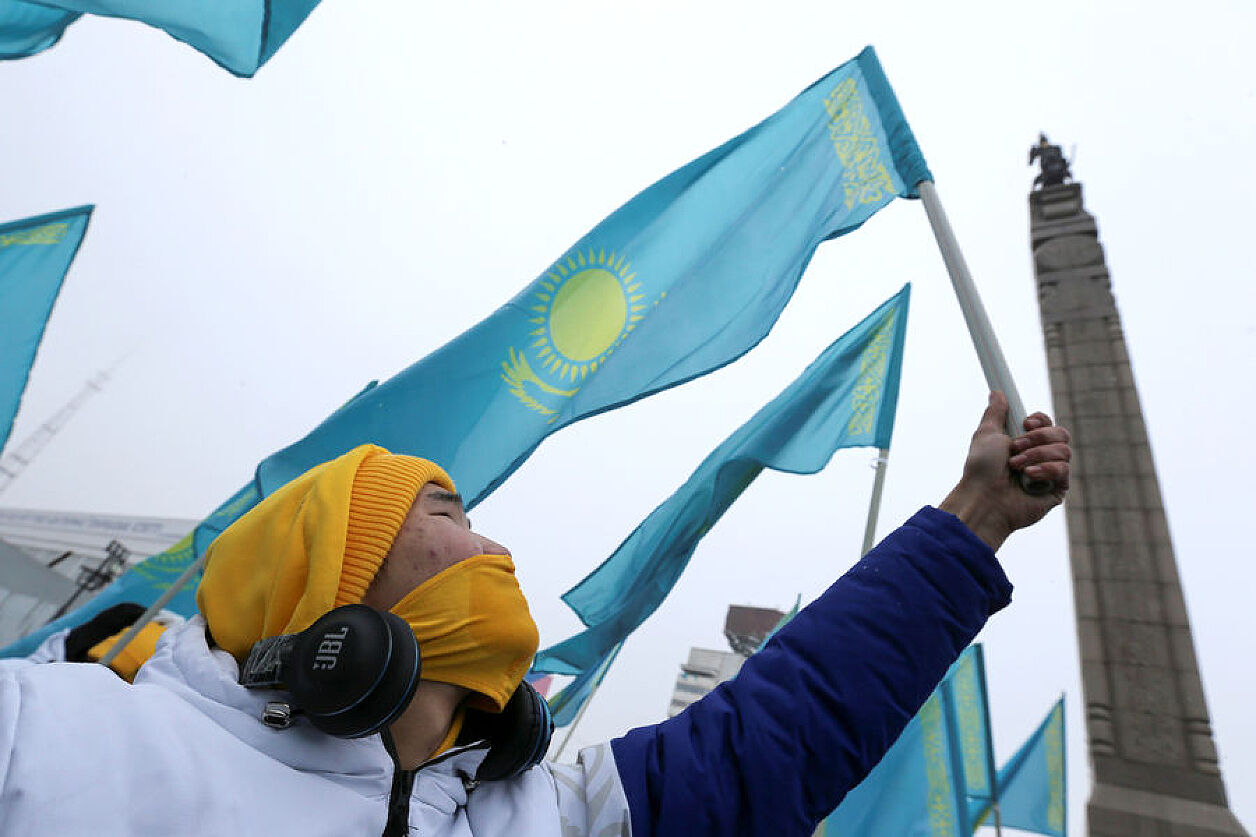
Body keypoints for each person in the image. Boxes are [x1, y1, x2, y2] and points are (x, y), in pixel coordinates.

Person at [0, 391, 1070, 836]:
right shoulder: (45, 735)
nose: (495, 547)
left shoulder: (550, 816)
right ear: (325, 582)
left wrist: (975, 516)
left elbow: (783, 727)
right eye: (446, 514)